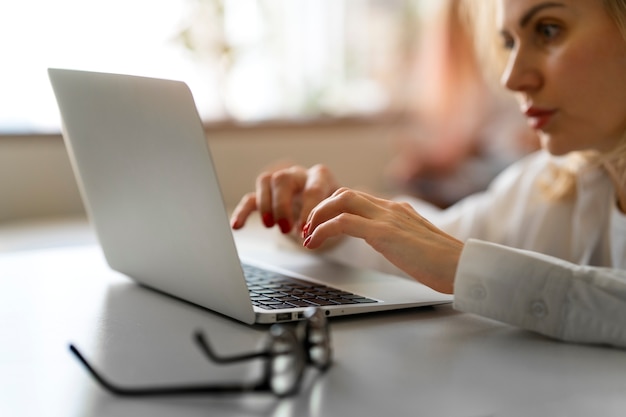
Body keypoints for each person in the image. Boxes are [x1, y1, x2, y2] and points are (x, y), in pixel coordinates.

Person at [230, 0, 626, 349]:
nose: (511, 77)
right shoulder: (554, 182)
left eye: (548, 30)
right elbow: (431, 246)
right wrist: (329, 218)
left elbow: (455, 259)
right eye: (509, 42)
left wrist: (464, 266)